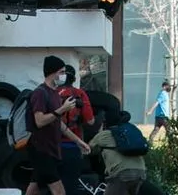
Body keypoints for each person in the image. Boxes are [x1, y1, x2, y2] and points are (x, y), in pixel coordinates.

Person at [24, 55, 89, 195]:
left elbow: (59, 124)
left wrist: (78, 141)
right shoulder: (40, 93)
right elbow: (39, 121)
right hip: (41, 149)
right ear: (53, 73)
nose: (64, 76)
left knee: (33, 190)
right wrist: (62, 110)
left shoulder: (54, 94)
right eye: (62, 72)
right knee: (59, 191)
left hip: (52, 149)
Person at [89, 110, 147, 195]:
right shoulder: (129, 133)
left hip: (122, 174)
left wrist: (98, 131)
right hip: (140, 172)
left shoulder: (104, 135)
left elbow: (88, 149)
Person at [57, 64, 94, 195]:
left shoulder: (50, 93)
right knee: (70, 186)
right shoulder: (79, 94)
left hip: (51, 147)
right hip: (72, 146)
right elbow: (90, 121)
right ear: (74, 79)